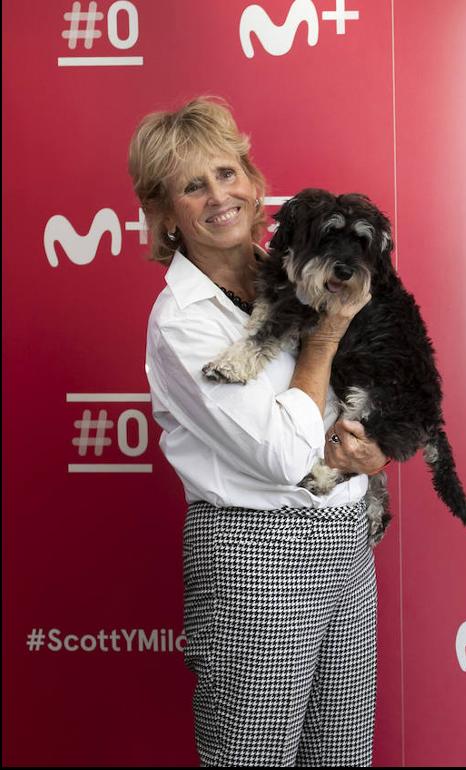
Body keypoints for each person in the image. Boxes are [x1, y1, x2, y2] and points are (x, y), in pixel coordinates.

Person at [130, 96, 386, 766]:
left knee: (342, 756)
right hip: (255, 557)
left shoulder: (300, 271)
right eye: (193, 186)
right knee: (254, 756)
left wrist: (372, 448)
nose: (219, 196)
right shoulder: (181, 323)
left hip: (346, 541)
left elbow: (357, 391)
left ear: (253, 180)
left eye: (227, 173)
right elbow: (282, 456)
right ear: (165, 215)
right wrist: (326, 334)